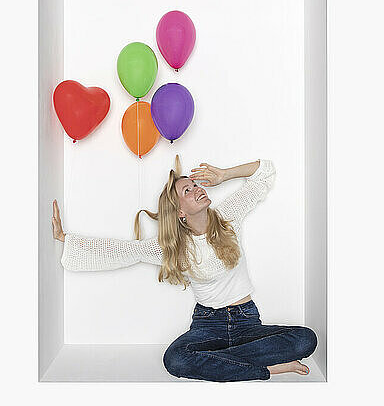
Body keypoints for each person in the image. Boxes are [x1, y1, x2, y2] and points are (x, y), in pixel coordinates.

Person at [52, 156, 317, 382]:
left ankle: (223, 364)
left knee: (306, 340)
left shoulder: (228, 218)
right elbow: (121, 251)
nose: (197, 189)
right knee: (175, 360)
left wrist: (225, 175)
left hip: (246, 322)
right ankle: (266, 369)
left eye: (194, 185)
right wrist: (66, 238)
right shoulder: (173, 248)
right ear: (180, 212)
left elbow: (264, 172)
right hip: (207, 326)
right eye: (187, 191)